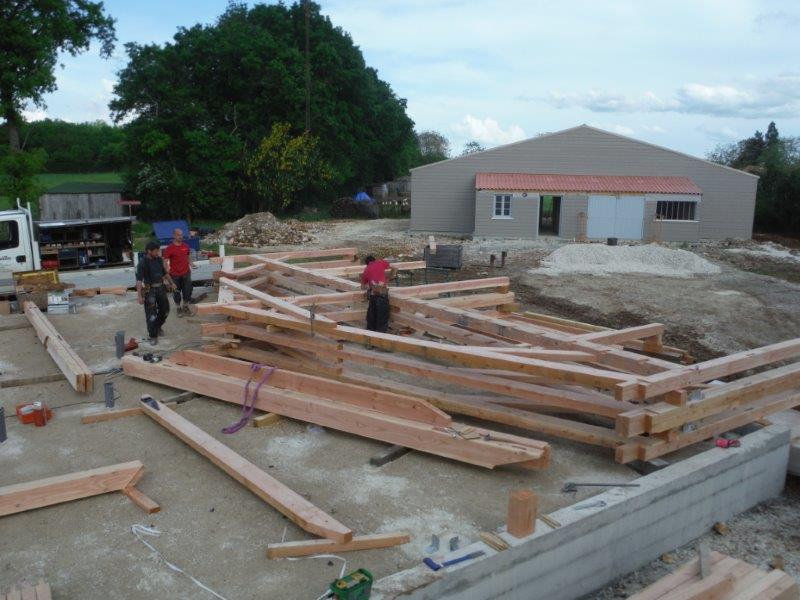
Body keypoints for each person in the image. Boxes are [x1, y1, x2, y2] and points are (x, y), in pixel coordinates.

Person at [136, 241, 175, 344]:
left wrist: (172, 283)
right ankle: (153, 336)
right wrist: (139, 295)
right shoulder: (142, 263)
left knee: (165, 310)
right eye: (156, 251)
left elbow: (165, 273)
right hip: (150, 291)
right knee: (151, 315)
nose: (158, 253)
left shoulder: (158, 260)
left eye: (158, 250)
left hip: (161, 288)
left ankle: (157, 327)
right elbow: (139, 280)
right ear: (149, 251)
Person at [162, 227, 195, 317]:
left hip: (186, 273)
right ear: (174, 236)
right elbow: (165, 262)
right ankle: (178, 308)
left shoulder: (186, 246)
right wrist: (166, 272)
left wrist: (191, 264)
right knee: (176, 293)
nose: (181, 236)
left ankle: (185, 306)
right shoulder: (169, 248)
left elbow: (187, 257)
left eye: (181, 235)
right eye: (178, 235)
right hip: (174, 275)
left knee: (188, 291)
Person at [360, 255, 396, 333]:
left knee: (372, 318)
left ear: (367, 263)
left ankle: (371, 338)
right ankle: (380, 338)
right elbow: (395, 268)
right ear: (374, 260)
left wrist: (370, 282)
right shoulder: (380, 262)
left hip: (373, 295)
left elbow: (362, 287)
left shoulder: (366, 270)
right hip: (382, 294)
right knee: (382, 318)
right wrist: (390, 277)